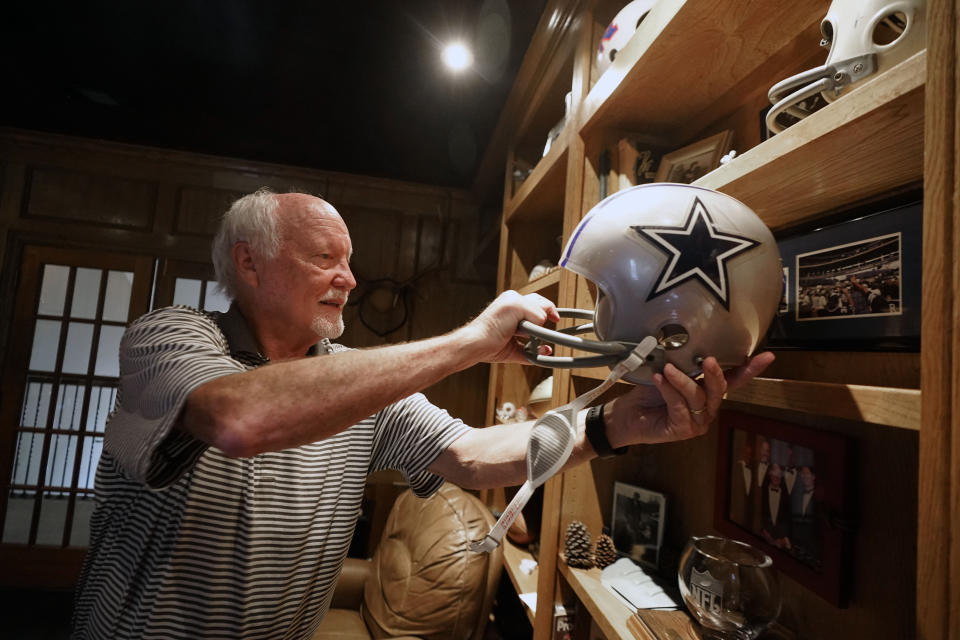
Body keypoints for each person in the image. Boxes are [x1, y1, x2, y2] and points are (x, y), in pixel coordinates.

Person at [70, 189, 774, 639]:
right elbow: (238, 420)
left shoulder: (353, 384)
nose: (350, 279)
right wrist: (471, 343)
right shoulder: (170, 337)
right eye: (326, 260)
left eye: (351, 261)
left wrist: (616, 427)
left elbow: (470, 454)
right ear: (251, 266)